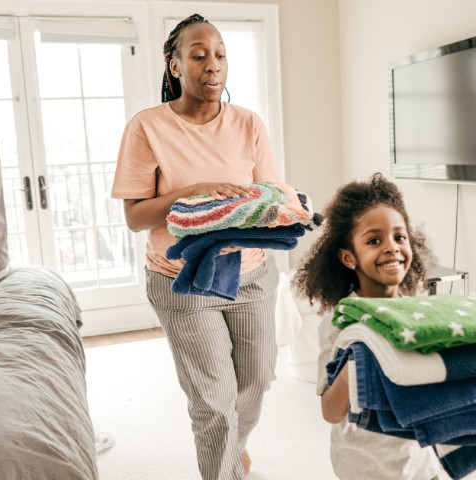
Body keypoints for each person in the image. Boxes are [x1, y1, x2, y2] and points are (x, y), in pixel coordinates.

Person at [111, 13, 282, 480]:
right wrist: (196, 193)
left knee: (258, 378)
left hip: (250, 272)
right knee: (213, 403)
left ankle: (234, 450)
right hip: (181, 278)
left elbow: (269, 194)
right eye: (199, 55)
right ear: (175, 65)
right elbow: (134, 216)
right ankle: (225, 469)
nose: (213, 66)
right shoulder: (148, 127)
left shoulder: (249, 124)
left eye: (221, 55)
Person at [292, 173, 442, 480]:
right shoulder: (341, 325)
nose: (391, 247)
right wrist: (351, 372)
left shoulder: (418, 314)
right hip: (365, 467)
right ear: (349, 257)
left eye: (399, 237)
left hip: (420, 464)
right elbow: (331, 412)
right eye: (375, 240)